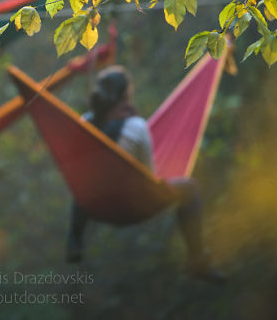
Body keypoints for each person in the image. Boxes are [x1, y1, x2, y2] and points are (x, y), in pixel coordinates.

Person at [66, 65, 225, 282]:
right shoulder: (136, 126)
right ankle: (197, 258)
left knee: (84, 181)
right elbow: (148, 174)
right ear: (125, 95)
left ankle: (74, 239)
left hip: (93, 201)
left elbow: (77, 164)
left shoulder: (84, 123)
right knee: (189, 188)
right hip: (130, 202)